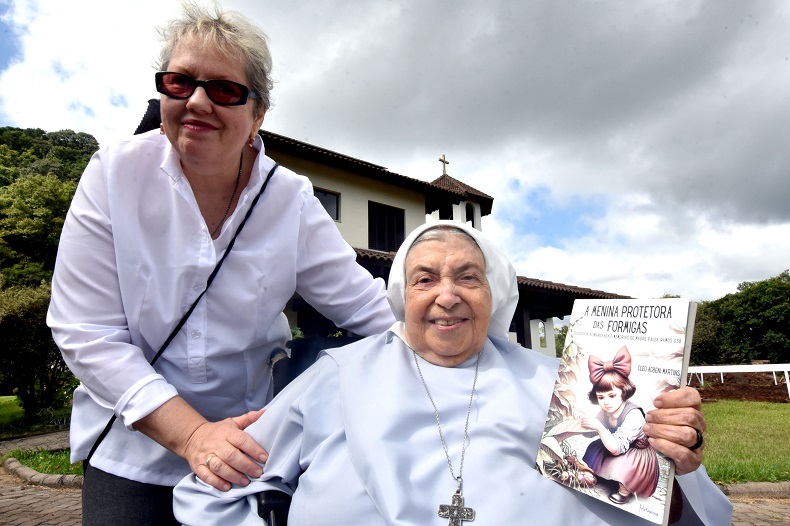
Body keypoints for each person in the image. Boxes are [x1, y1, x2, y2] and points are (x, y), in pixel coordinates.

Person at [46, 4, 393, 524]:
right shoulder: (113, 176)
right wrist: (192, 435)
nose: (198, 102)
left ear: (258, 114)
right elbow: (86, 331)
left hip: (249, 446)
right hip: (132, 444)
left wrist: (476, 353)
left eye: (225, 90)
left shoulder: (290, 199)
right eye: (180, 82)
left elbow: (367, 308)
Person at [173, 221, 732, 525]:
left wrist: (673, 468)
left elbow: (672, 514)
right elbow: (216, 492)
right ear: (402, 296)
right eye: (424, 279)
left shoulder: (562, 384)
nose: (446, 296)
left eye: (468, 277)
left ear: (495, 295)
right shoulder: (336, 374)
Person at [582, 346, 659, 505]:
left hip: (637, 454)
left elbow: (617, 448)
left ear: (623, 392)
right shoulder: (605, 411)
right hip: (615, 443)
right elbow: (593, 431)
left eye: (611, 395)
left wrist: (599, 427)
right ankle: (599, 476)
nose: (606, 402)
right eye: (601, 397)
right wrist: (585, 425)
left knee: (624, 464)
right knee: (593, 448)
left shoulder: (633, 414)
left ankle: (625, 491)